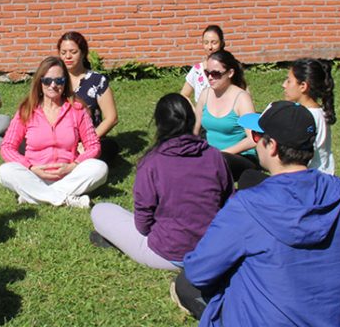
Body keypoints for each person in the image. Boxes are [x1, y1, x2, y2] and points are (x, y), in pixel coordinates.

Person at [174, 102, 340, 327]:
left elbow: (200, 271)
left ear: (272, 146)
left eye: (257, 137)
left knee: (185, 283)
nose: (254, 142)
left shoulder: (246, 206)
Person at [89, 94, 232, 270]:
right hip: (212, 250)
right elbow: (228, 203)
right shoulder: (214, 155)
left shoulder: (152, 162)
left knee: (100, 210)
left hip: (169, 253)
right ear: (192, 120)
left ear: (159, 123)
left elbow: (142, 223)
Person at [0, 56, 109, 209]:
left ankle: (35, 195)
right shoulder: (27, 110)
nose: (53, 85)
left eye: (59, 81)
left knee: (100, 168)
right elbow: (7, 147)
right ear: (39, 81)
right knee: (5, 171)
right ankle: (64, 198)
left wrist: (73, 166)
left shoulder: (77, 109)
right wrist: (30, 168)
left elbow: (93, 146)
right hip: (34, 174)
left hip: (69, 174)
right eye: (47, 80)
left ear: (65, 83)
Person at [240, 59, 338, 190]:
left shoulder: (305, 119)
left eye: (289, 81)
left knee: (248, 177)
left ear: (303, 86)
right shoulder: (319, 113)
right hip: (322, 180)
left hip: (305, 184)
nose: (283, 85)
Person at [193, 50, 258, 181]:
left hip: (240, 157)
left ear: (230, 73)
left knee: (218, 163)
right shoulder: (205, 94)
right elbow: (194, 129)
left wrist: (222, 153)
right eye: (207, 73)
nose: (210, 77)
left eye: (215, 73)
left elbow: (253, 139)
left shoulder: (241, 98)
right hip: (212, 157)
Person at [58, 31, 120, 161]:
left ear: (83, 53)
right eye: (63, 53)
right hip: (59, 141)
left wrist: (88, 142)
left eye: (73, 52)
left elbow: (112, 118)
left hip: (89, 140)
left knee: (109, 147)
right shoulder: (53, 80)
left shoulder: (97, 80)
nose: (68, 56)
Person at [179, 25, 226, 103]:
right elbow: (184, 95)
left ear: (221, 43)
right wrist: (194, 112)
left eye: (214, 43)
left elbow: (243, 93)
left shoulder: (229, 68)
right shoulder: (197, 70)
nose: (210, 47)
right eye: (206, 43)